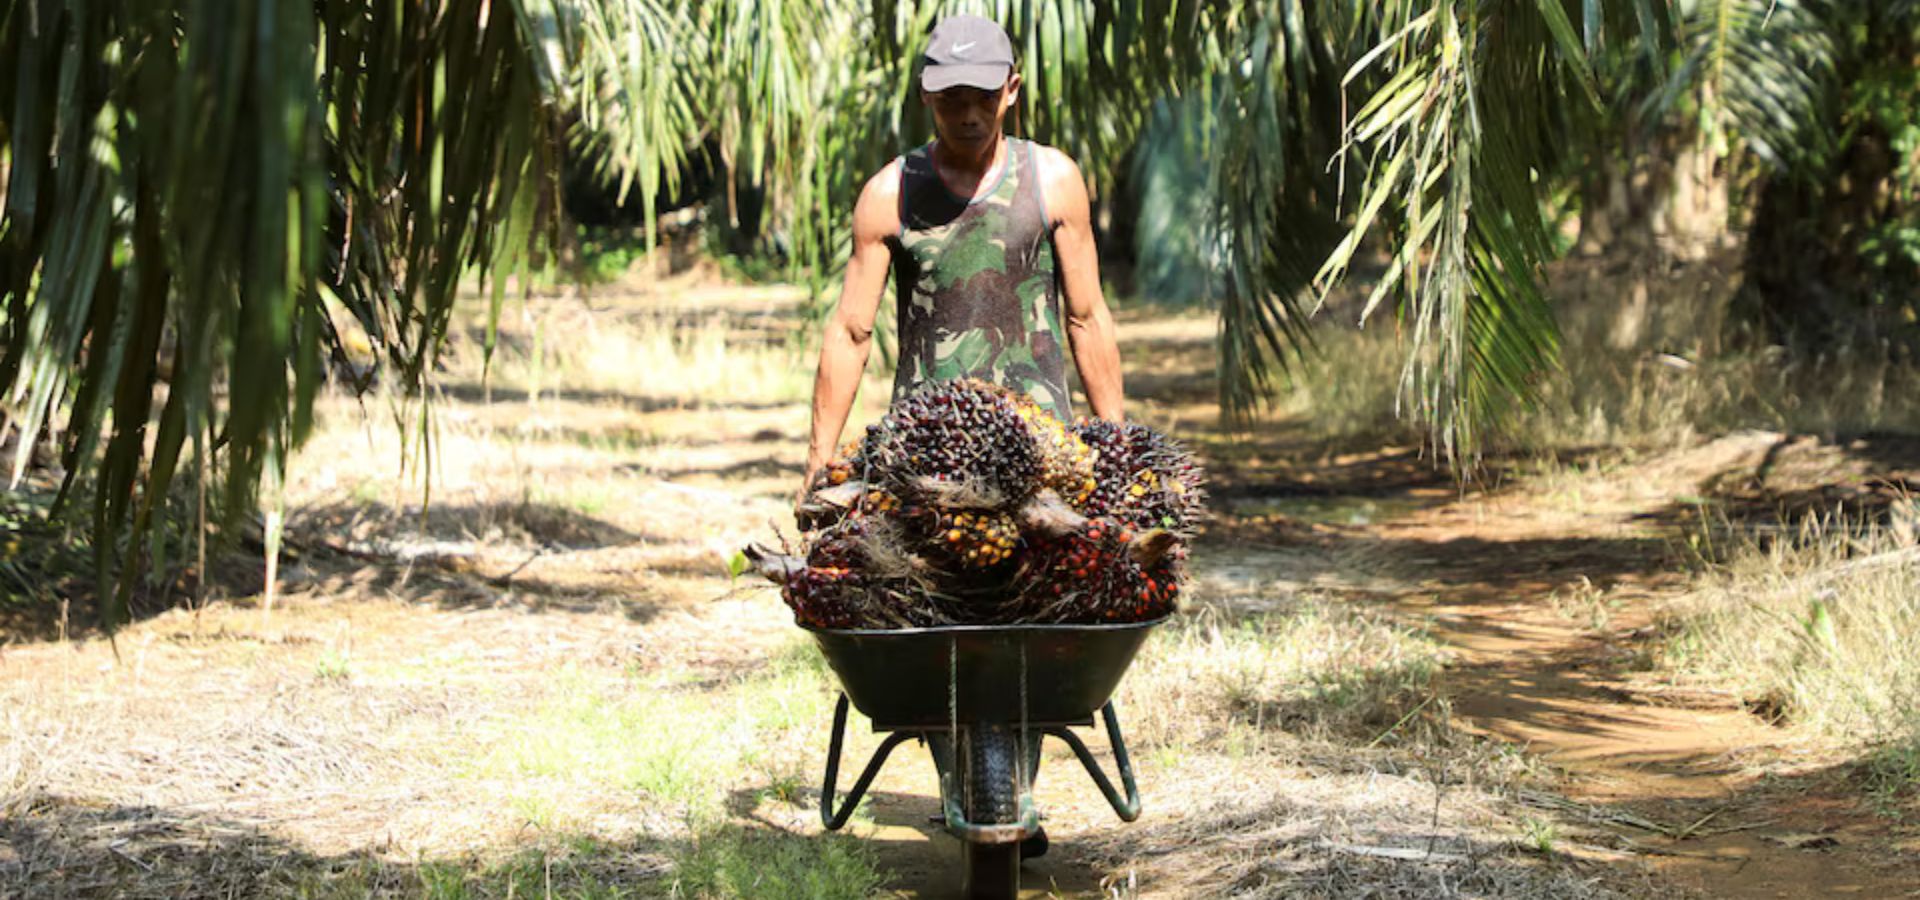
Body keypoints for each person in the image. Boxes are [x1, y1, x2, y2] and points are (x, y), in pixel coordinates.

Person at [798, 13, 1125, 505]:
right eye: (953, 99)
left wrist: (1117, 450)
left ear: (1012, 89)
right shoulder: (891, 193)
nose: (970, 115)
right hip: (924, 456)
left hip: (1039, 452)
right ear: (927, 94)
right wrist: (818, 463)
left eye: (985, 98)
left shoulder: (1052, 180)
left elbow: (1087, 318)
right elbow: (850, 331)